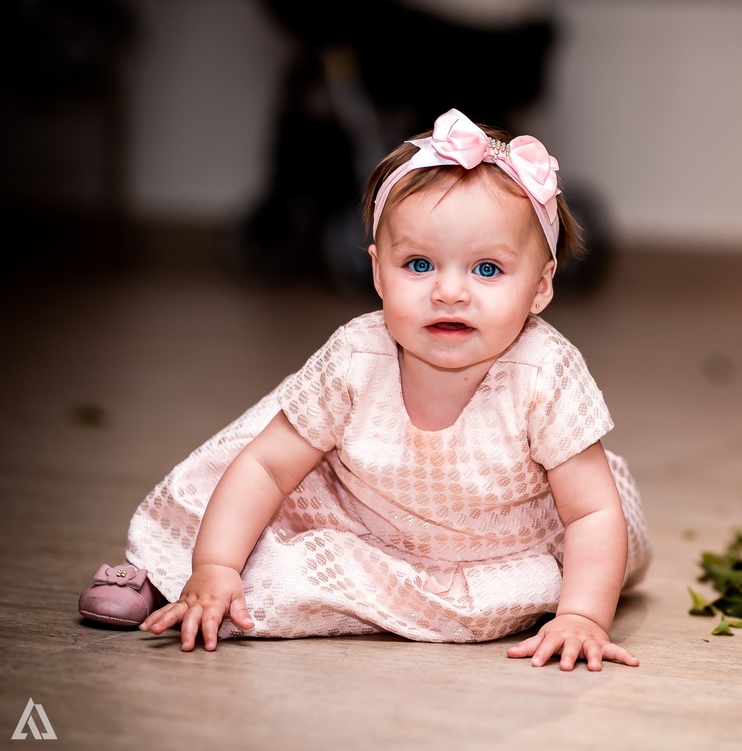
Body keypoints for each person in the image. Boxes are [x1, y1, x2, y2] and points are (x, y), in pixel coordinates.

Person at [78, 109, 652, 671]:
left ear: (541, 286)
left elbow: (591, 512)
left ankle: (254, 594)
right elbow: (268, 469)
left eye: (486, 270)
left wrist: (582, 617)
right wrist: (215, 564)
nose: (449, 292)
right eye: (420, 264)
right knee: (243, 515)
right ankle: (177, 578)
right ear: (378, 273)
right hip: (360, 515)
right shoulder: (358, 356)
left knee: (551, 582)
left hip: (502, 547)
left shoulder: (544, 372)